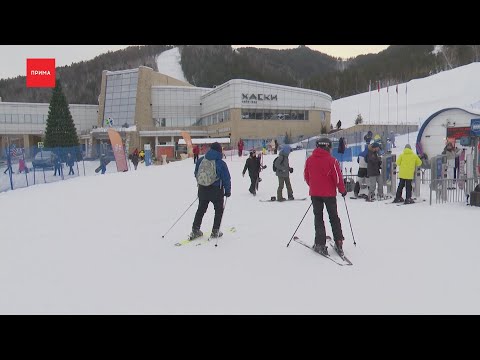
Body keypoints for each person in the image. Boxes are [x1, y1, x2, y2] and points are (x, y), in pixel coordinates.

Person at [304, 137, 347, 256]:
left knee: (318, 218)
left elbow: (307, 176)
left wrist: (314, 186)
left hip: (315, 194)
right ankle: (338, 241)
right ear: (327, 147)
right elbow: (337, 178)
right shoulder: (332, 160)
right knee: (333, 217)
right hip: (329, 194)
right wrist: (342, 190)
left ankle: (320, 243)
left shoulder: (310, 160)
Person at [190, 142, 231, 240]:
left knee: (201, 210)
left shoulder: (201, 160)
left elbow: (196, 173)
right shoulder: (220, 163)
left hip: (203, 189)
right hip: (216, 190)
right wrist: (228, 191)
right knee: (218, 210)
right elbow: (226, 178)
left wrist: (202, 183)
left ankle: (195, 229)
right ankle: (215, 231)